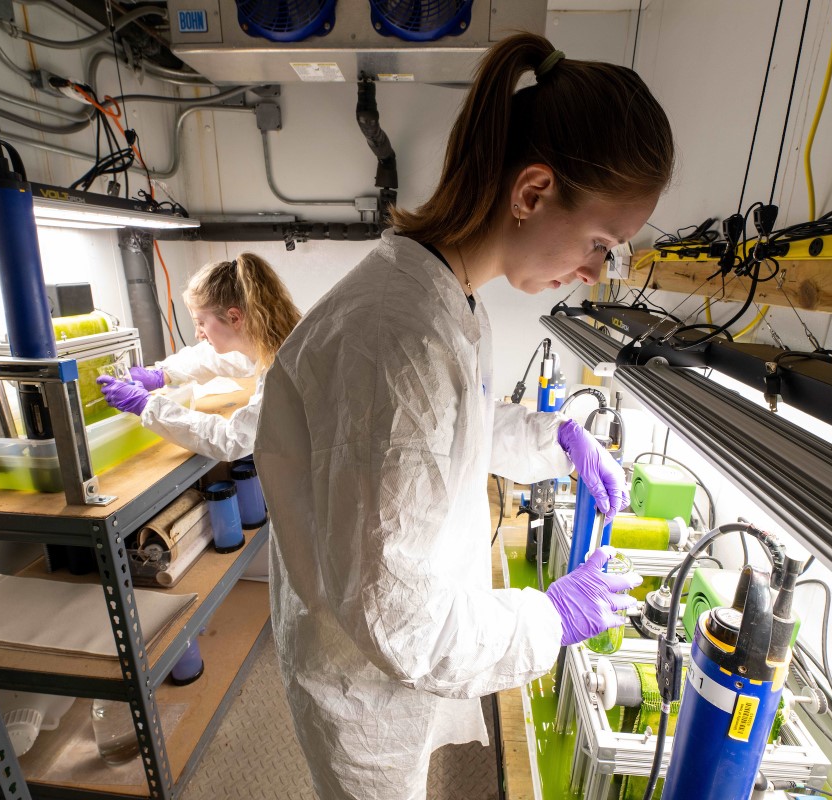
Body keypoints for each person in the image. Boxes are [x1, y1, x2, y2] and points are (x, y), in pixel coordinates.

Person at [254, 32, 674, 800]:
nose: (592, 273)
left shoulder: (446, 296)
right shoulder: (401, 337)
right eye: (599, 243)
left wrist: (559, 442)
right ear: (533, 191)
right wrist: (548, 619)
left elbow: (458, 432)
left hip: (390, 658)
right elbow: (399, 621)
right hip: (364, 682)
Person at [97, 253, 300, 463]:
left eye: (201, 323)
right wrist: (164, 373)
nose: (198, 334)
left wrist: (147, 405)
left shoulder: (280, 372)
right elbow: (218, 358)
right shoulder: (280, 341)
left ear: (234, 317)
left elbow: (231, 440)